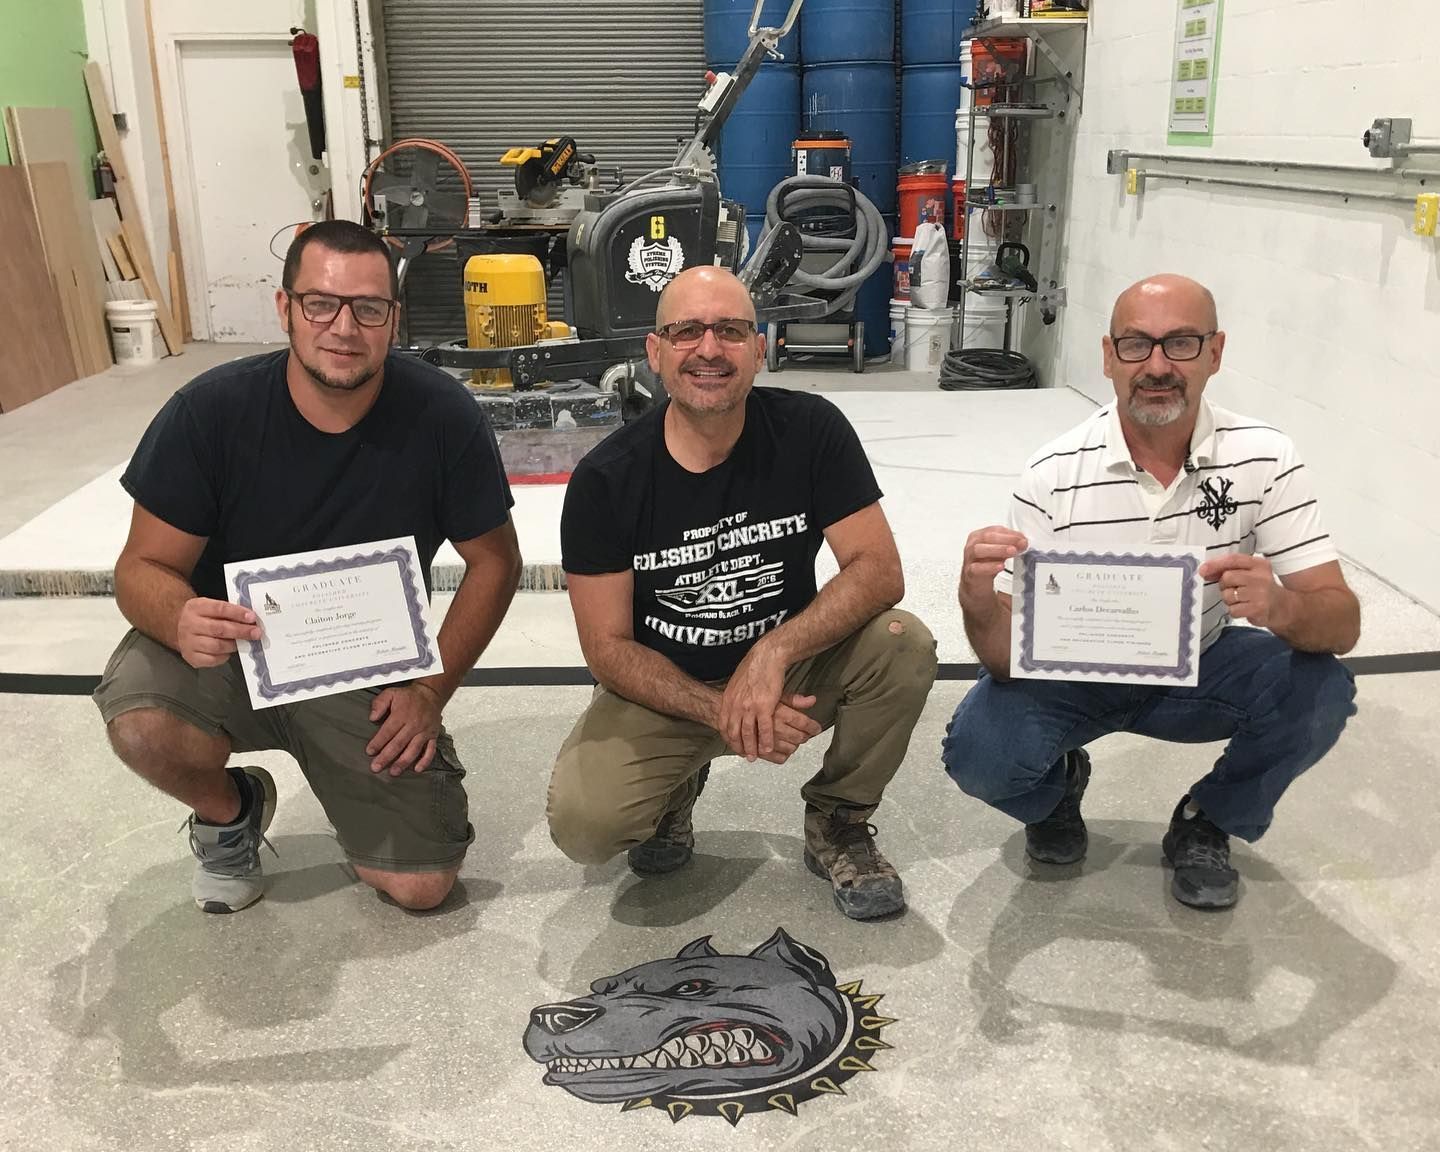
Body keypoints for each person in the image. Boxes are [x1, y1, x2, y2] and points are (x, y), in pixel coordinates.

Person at [94, 220, 521, 914]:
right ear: (284, 308)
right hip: (230, 649)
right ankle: (229, 811)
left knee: (421, 886)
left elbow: (496, 562)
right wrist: (178, 614)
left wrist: (430, 689)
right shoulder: (209, 413)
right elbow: (139, 567)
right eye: (320, 303)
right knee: (142, 721)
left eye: (368, 308)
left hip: (360, 664)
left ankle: (358, 789)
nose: (343, 328)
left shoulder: (444, 417)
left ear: (394, 319)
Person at [943, 274, 1359, 910]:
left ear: (1215, 353)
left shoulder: (1265, 458)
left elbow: (1341, 622)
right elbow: (1003, 660)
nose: (1158, 365)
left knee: (1321, 690)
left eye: (1182, 343)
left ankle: (1206, 819)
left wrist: (1282, 606)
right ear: (1108, 358)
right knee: (979, 753)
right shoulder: (1052, 473)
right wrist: (976, 600)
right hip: (1072, 674)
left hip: (1203, 661)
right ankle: (1057, 794)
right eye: (1137, 345)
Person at [548, 266, 937, 920]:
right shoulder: (606, 480)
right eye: (686, 332)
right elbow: (607, 648)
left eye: (730, 330)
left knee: (904, 645)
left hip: (789, 672)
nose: (708, 349)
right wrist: (718, 707)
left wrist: (771, 655)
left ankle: (838, 820)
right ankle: (673, 795)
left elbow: (878, 569)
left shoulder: (811, 430)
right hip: (670, 682)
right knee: (586, 825)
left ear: (760, 349)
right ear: (655, 352)